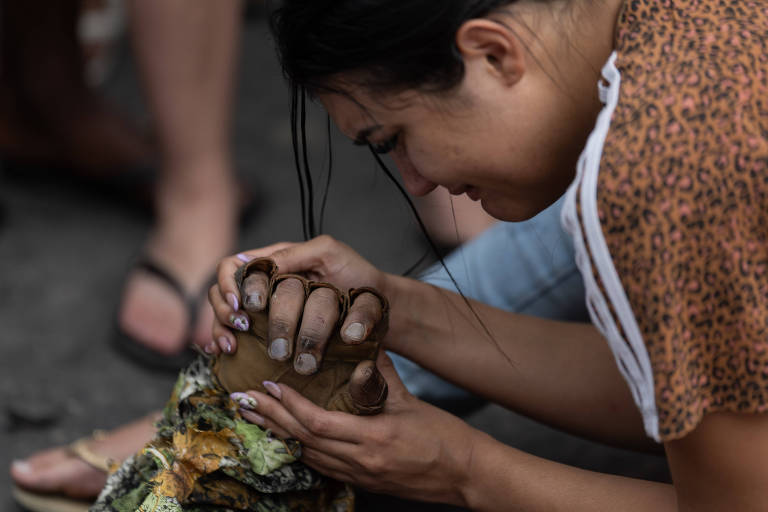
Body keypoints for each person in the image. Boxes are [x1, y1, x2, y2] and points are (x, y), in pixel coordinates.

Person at [203, 0, 768, 509]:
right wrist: (390, 304)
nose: (417, 183)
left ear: (493, 54)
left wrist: (461, 469)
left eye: (391, 138)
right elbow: (686, 390)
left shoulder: (656, 177)